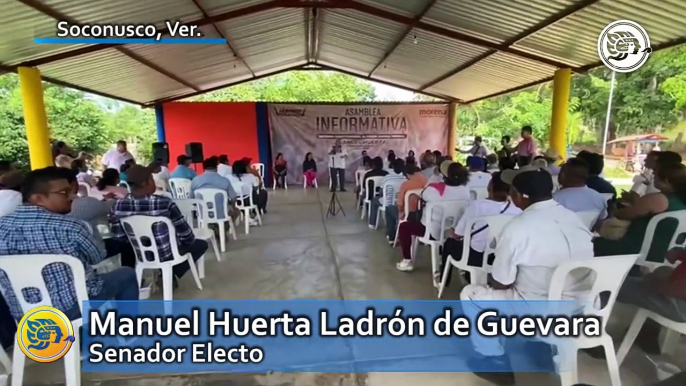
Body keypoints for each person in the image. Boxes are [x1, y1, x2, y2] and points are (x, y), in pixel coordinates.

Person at [461, 169, 594, 383]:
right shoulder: (574, 219)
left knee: (472, 295)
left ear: (520, 196)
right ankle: (541, 347)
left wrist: (490, 278)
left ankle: (494, 361)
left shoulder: (518, 227)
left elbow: (502, 283)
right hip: (583, 309)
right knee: (536, 284)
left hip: (541, 311)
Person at [0, 166, 139, 322]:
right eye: (64, 193)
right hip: (71, 307)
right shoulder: (71, 226)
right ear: (38, 198)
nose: (72, 196)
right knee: (126, 274)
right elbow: (97, 257)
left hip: (23, 311)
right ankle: (128, 329)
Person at [110, 165, 208, 282]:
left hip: (140, 254)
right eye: (151, 179)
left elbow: (119, 236)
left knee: (127, 246)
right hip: (167, 253)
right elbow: (186, 235)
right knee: (201, 244)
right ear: (143, 183)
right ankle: (171, 274)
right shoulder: (164, 203)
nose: (154, 182)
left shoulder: (118, 205)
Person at [439, 172, 521, 286]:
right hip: (499, 256)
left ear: (490, 187)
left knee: (449, 243)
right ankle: (471, 276)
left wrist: (451, 232)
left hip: (475, 256)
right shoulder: (517, 208)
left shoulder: (476, 206)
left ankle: (443, 281)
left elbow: (458, 234)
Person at [594, 163, 686, 262]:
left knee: (588, 244)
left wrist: (615, 208)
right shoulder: (680, 201)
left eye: (655, 175)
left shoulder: (657, 199)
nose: (653, 178)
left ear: (666, 181)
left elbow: (623, 215)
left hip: (635, 249)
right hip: (666, 252)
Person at [396, 162, 471, 272]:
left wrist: (434, 177)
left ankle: (407, 261)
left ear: (444, 176)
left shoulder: (434, 190)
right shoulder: (466, 191)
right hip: (455, 230)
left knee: (404, 227)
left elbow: (422, 195)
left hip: (432, 231)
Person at [65, 169, 136, 268]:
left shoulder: (46, 210)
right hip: (93, 252)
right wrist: (111, 199)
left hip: (67, 257)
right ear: (74, 184)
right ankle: (129, 272)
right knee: (127, 245)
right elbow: (107, 208)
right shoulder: (85, 203)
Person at [553, 158, 608, 225]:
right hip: (587, 234)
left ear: (562, 175)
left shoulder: (555, 199)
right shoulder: (599, 198)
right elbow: (600, 222)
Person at [368, 158, 405, 230]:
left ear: (393, 167)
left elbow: (381, 192)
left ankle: (372, 223)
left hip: (387, 202)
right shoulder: (405, 178)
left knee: (374, 200)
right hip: (401, 202)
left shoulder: (387, 177)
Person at [396, 163, 428, 233]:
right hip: (423, 213)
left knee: (390, 209)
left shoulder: (405, 185)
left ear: (407, 174)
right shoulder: (427, 181)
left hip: (409, 214)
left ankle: (392, 236)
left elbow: (400, 205)